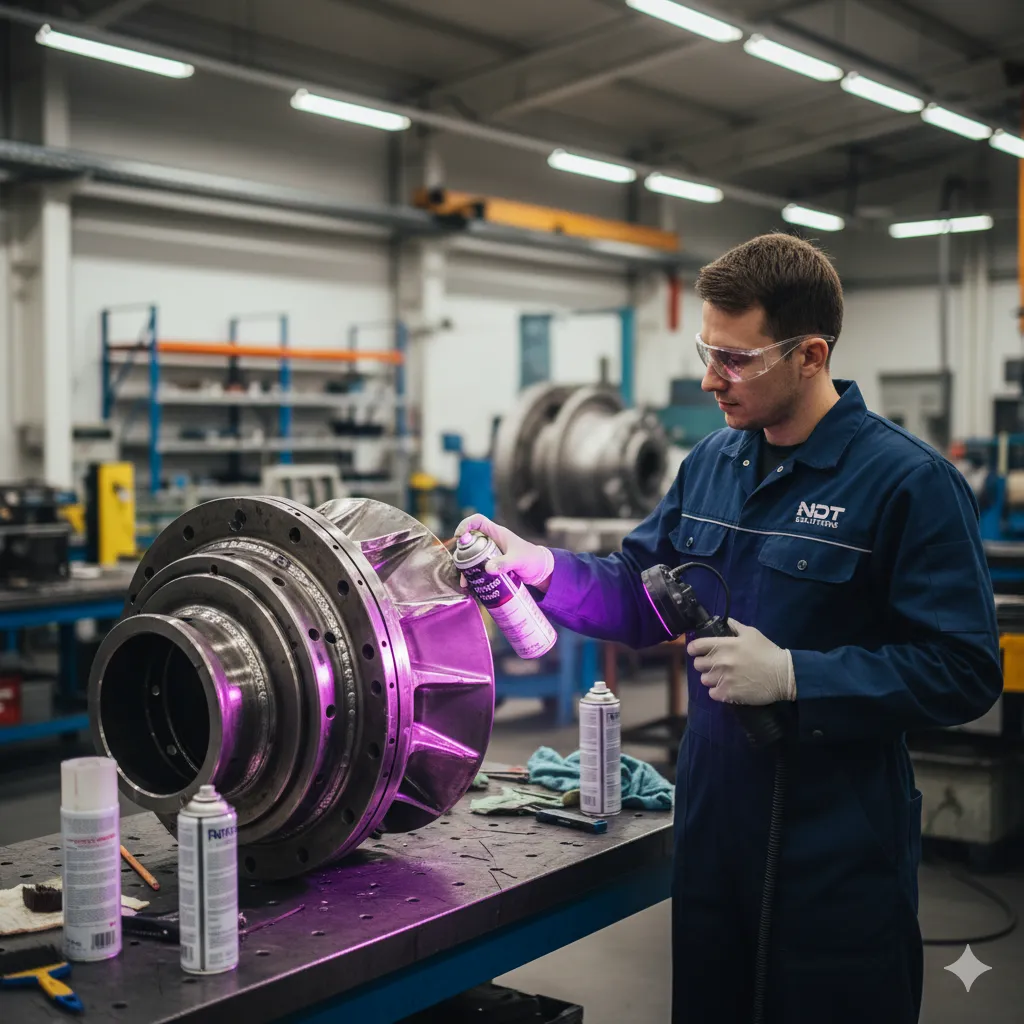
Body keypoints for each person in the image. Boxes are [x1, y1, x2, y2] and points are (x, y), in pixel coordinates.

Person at [457, 233, 1002, 1024]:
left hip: (837, 842)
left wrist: (795, 677)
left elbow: (963, 668)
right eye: (709, 351)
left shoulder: (908, 483)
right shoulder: (712, 464)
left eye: (737, 359)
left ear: (811, 354)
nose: (713, 378)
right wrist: (541, 567)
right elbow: (638, 596)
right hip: (712, 822)